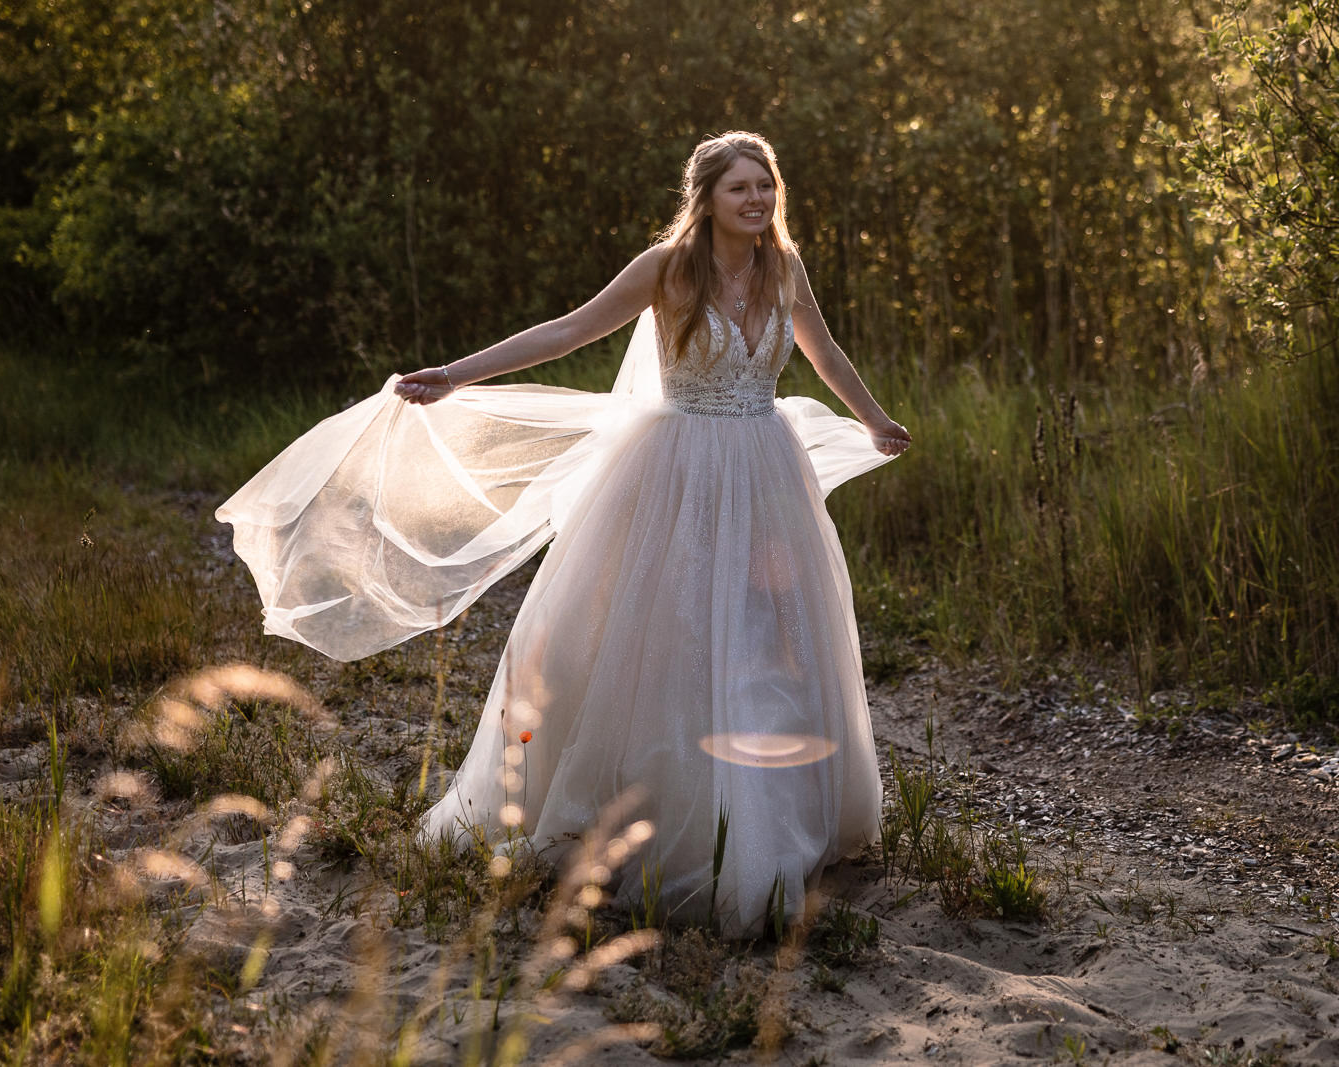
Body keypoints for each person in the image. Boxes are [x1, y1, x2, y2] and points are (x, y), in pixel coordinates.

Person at [217, 132, 909, 937]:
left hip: (765, 473)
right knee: (673, 643)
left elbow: (824, 354)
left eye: (766, 186)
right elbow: (566, 331)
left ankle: (775, 827)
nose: (756, 200)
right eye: (739, 188)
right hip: (677, 474)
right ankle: (667, 822)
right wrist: (455, 374)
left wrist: (875, 419)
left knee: (768, 643)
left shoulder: (783, 269)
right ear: (707, 197)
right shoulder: (666, 270)